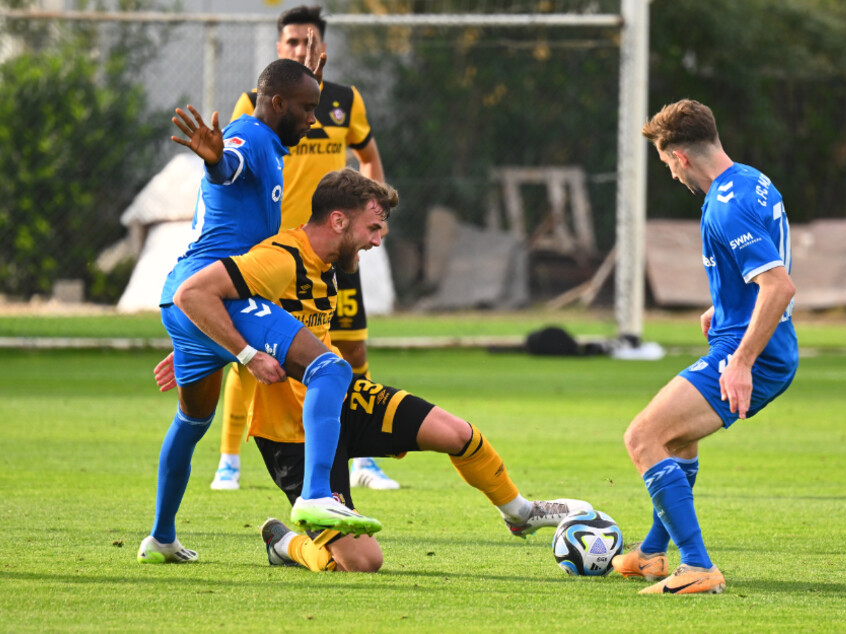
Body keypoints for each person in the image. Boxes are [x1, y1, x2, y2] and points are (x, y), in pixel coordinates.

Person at [153, 173, 592, 573]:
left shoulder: (329, 266)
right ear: (340, 221)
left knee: (456, 433)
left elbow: (249, 317)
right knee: (363, 563)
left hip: (341, 401)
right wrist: (220, 348)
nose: (378, 241)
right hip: (290, 434)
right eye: (373, 228)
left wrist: (209, 343)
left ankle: (520, 513)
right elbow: (196, 295)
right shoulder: (280, 257)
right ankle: (286, 545)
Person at [137, 59, 386, 564]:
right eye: (307, 108)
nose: (314, 119)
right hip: (216, 294)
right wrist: (212, 160)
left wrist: (199, 335)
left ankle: (161, 537)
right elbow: (228, 167)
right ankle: (318, 494)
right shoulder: (247, 136)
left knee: (190, 422)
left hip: (186, 298)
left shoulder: (271, 140)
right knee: (330, 367)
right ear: (276, 104)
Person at [610, 99, 798, 594]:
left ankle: (697, 566)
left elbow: (778, 286)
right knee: (675, 439)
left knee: (642, 438)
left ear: (681, 156)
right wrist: (727, 303)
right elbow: (764, 267)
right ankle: (651, 554)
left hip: (754, 351)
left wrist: (740, 361)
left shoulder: (725, 206)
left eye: (667, 163)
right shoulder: (752, 180)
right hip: (748, 335)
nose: (671, 174)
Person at [211, 3, 396, 493]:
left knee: (350, 345)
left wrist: (371, 217)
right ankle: (229, 458)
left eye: (308, 41)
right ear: (279, 49)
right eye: (292, 42)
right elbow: (233, 164)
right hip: (277, 252)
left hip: (333, 250)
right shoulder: (256, 104)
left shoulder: (342, 101)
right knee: (253, 350)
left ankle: (360, 456)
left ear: (323, 47)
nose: (301, 48)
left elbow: (369, 157)